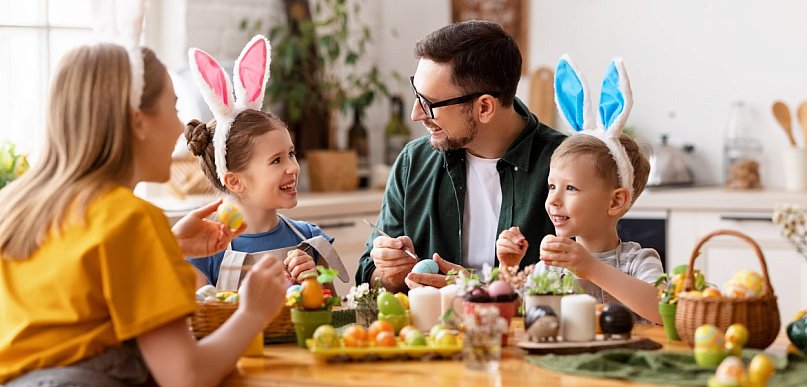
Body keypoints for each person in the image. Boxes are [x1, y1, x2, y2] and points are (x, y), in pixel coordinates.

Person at [0, 42, 286, 386]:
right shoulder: (129, 218)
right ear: (139, 121)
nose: (180, 128)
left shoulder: (15, 207)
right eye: (173, 108)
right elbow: (186, 376)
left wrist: (165, 248)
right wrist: (253, 313)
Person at [355, 20, 566, 293]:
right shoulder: (413, 162)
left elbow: (591, 285)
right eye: (417, 94)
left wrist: (473, 289)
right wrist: (389, 275)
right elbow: (367, 277)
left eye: (430, 103)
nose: (416, 114)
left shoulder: (567, 165)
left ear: (485, 107)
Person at [496, 56, 663, 324]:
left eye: (571, 188)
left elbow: (663, 310)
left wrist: (590, 267)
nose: (553, 199)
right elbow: (515, 315)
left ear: (615, 201)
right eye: (552, 186)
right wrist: (508, 267)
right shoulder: (551, 267)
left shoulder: (638, 261)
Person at [184, 35, 338, 293]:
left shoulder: (310, 239)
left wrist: (314, 283)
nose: (293, 167)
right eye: (276, 160)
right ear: (235, 181)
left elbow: (335, 312)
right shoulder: (204, 252)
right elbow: (200, 317)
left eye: (291, 154)